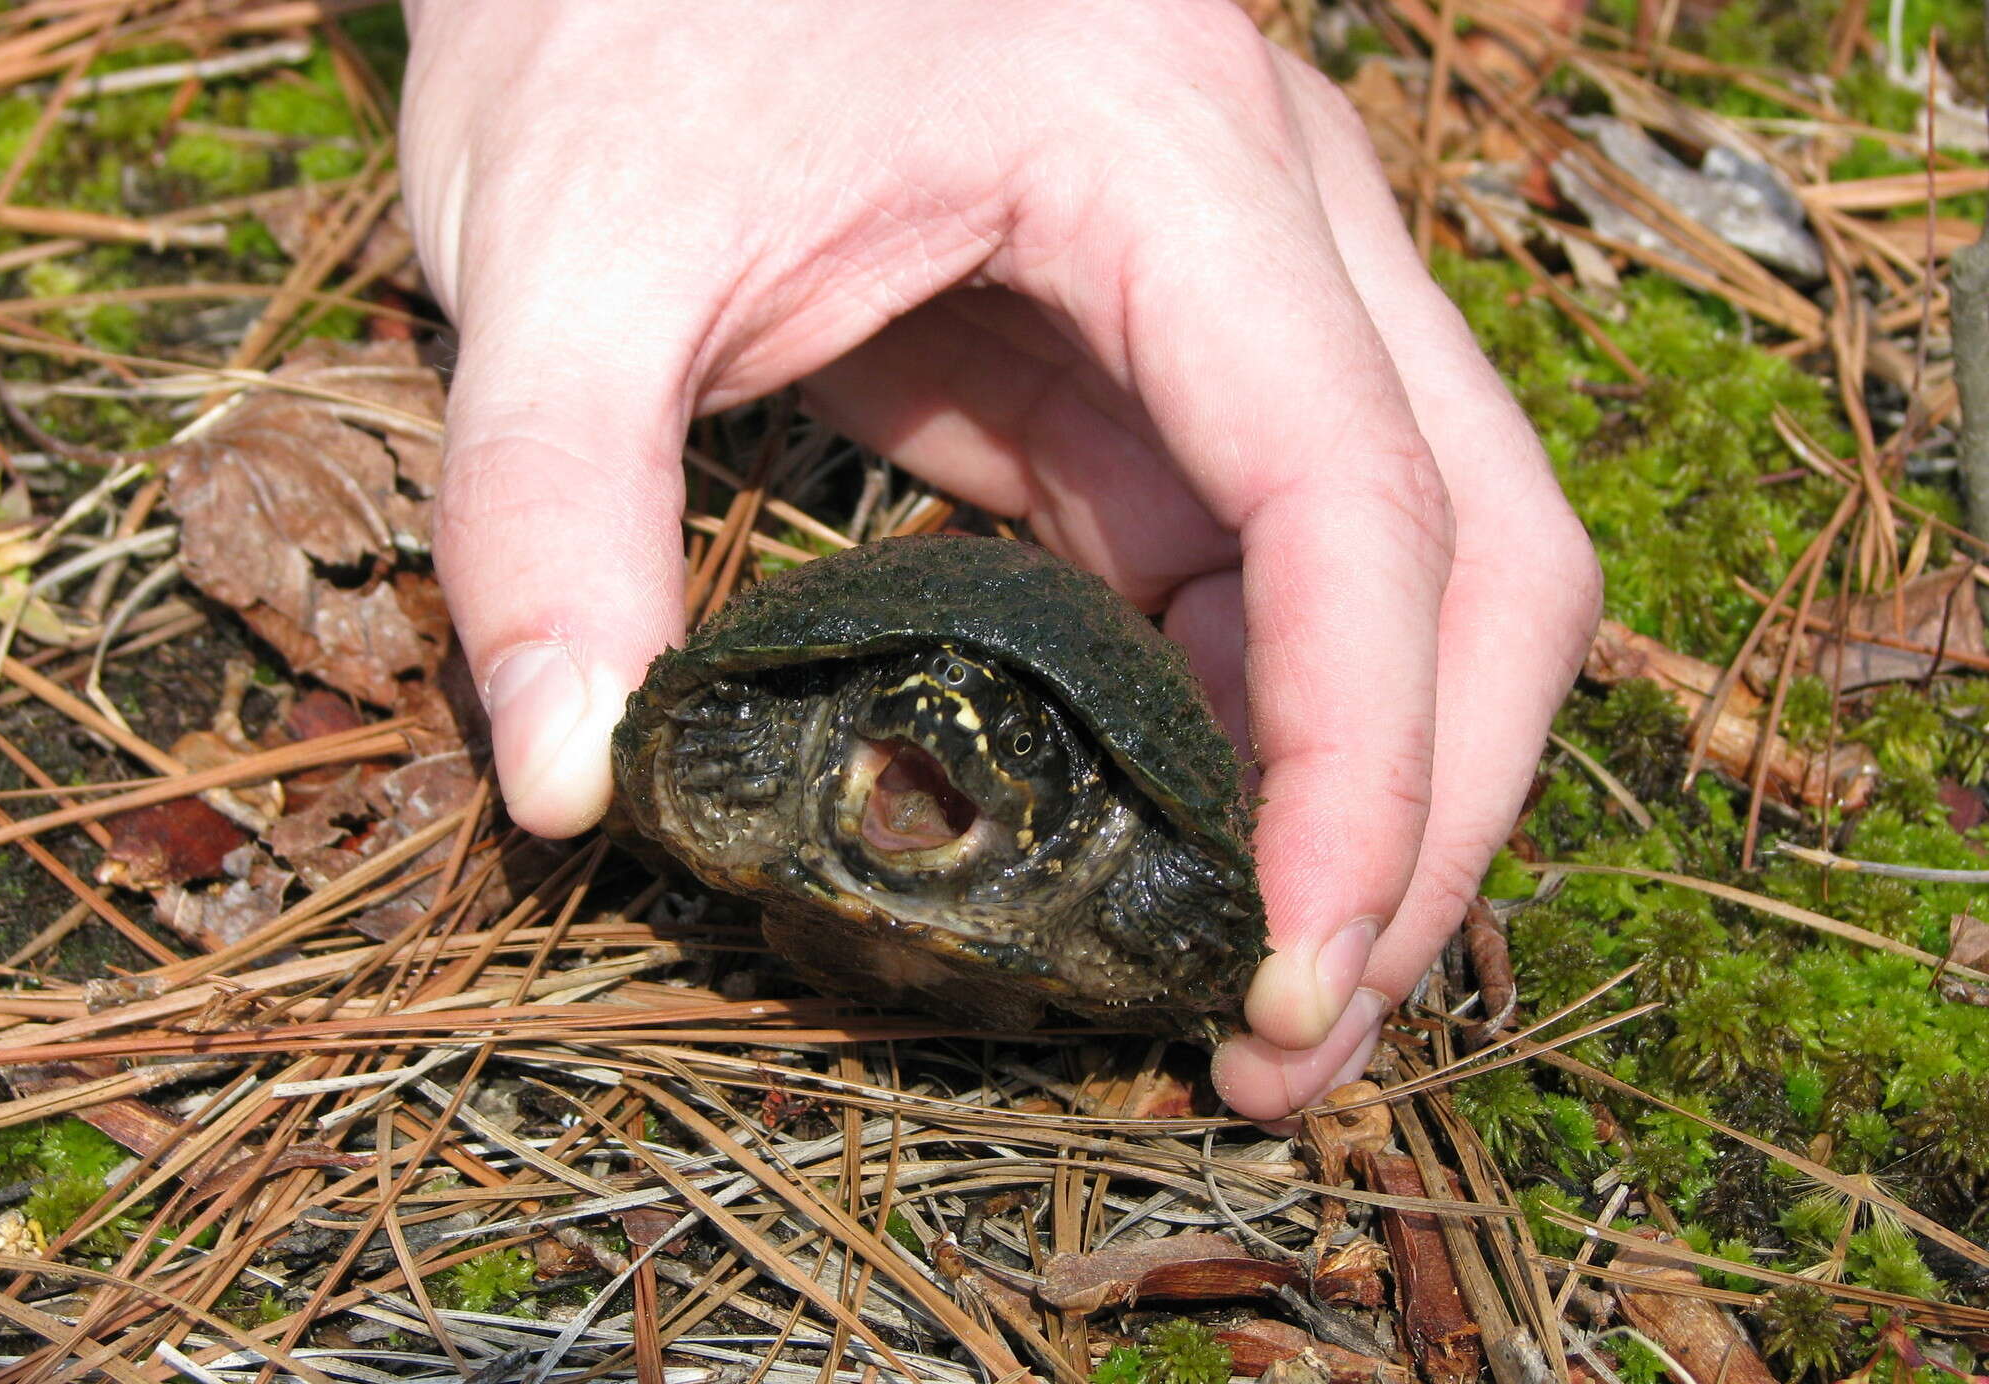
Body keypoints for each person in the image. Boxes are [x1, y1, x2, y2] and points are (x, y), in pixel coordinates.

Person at [396, 0, 1602, 1124]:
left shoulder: (1118, 865)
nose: (937, 734)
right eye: (905, 721)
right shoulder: (771, 754)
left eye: (1003, 753)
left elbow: (1210, 915)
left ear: (1064, 809)